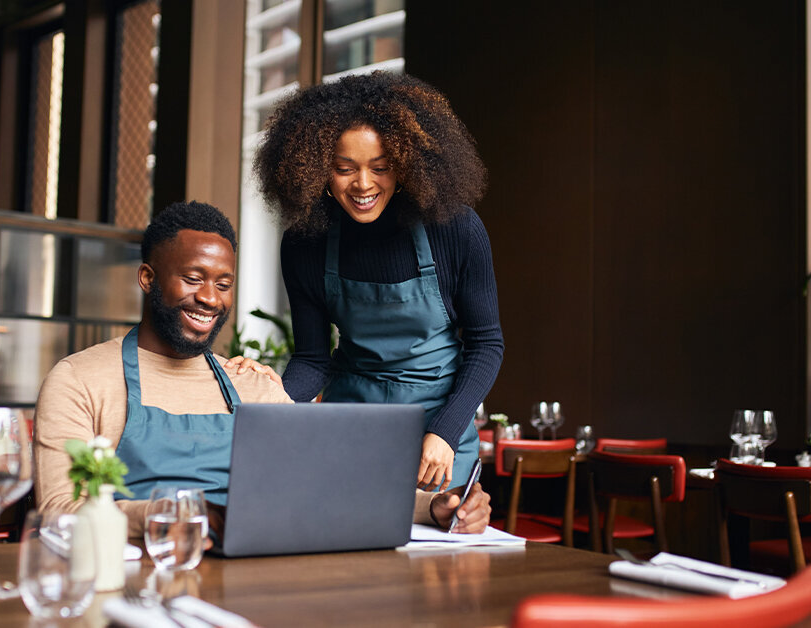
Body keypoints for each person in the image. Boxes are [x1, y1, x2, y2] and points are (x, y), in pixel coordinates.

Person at [34, 200, 490, 537]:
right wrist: (169, 517)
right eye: (193, 279)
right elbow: (57, 511)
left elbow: (329, 487)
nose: (210, 298)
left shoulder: (250, 384)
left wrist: (436, 508)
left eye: (224, 284)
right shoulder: (80, 380)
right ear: (148, 278)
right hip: (135, 574)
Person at [240, 71, 504, 493]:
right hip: (349, 427)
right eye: (344, 169)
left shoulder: (454, 228)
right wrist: (274, 400)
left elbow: (487, 343)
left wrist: (446, 432)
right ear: (318, 170)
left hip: (436, 438)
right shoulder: (306, 243)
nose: (363, 184)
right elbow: (312, 359)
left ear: (405, 166)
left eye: (380, 168)